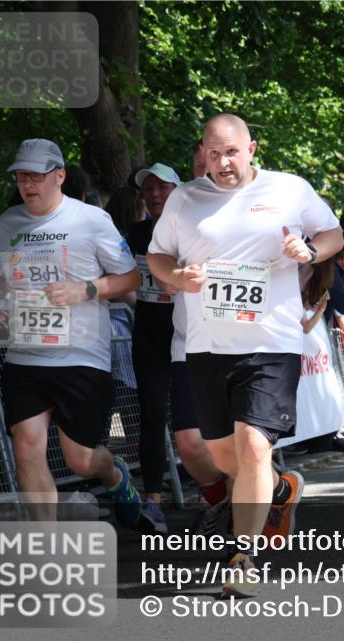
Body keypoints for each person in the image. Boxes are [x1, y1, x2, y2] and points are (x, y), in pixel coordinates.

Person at [147, 114, 342, 596]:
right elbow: (157, 257)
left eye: (232, 152)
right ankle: (277, 489)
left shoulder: (290, 189)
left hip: (271, 342)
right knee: (222, 455)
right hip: (208, 346)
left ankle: (243, 556)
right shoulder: (186, 199)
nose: (222, 163)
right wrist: (176, 276)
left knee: (254, 444)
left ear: (252, 148)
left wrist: (309, 250)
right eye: (213, 154)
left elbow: (334, 235)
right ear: (202, 152)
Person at [0, 138, 142, 524]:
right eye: (20, 177)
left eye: (36, 175)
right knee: (27, 447)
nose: (27, 184)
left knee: (79, 460)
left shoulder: (90, 219)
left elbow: (130, 276)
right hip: (24, 354)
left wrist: (87, 289)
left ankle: (112, 472)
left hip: (81, 354)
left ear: (60, 175)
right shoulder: (8, 222)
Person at [128, 162, 223, 533]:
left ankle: (213, 492)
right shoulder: (133, 234)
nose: (154, 195)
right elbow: (122, 276)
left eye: (162, 188)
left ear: (177, 192)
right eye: (148, 189)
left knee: (201, 425)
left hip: (192, 334)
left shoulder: (192, 230)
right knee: (152, 415)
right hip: (151, 334)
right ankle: (153, 499)